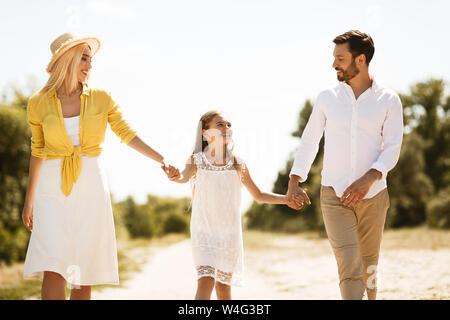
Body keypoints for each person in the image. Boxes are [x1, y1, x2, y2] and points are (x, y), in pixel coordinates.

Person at [21, 32, 176, 300]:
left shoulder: (101, 98)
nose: (89, 66)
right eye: (83, 58)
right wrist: (29, 199)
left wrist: (162, 158)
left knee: (83, 266)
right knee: (52, 264)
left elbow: (127, 134)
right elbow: (38, 151)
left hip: (90, 183)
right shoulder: (38, 103)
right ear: (66, 60)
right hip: (50, 187)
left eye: (91, 60)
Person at [286, 30, 404, 300]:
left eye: (340, 58)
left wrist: (368, 179)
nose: (334, 64)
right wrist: (295, 180)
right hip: (334, 195)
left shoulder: (388, 99)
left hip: (374, 196)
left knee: (370, 264)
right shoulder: (327, 97)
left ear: (360, 59)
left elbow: (393, 147)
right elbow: (309, 141)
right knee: (350, 262)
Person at [162, 110, 289, 300]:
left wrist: (286, 199)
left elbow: (259, 195)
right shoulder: (196, 160)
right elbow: (182, 176)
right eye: (220, 124)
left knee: (223, 289)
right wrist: (174, 175)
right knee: (206, 281)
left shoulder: (238, 163)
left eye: (229, 125)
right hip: (204, 232)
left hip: (229, 235)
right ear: (205, 133)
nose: (226, 128)